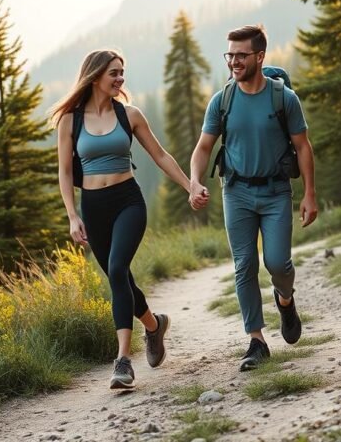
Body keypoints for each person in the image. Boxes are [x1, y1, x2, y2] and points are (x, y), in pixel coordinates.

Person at [52, 49, 205, 389]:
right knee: (119, 277)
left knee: (118, 269)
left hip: (128, 202)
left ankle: (122, 360)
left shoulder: (130, 115)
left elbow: (160, 155)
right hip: (93, 207)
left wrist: (190, 186)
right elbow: (64, 172)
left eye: (122, 72)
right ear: (95, 76)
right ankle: (154, 326)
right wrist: (73, 215)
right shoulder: (70, 121)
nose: (120, 78)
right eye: (114, 73)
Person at [189, 24, 318, 371]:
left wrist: (309, 194)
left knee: (277, 263)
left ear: (260, 56)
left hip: (276, 192)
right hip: (236, 192)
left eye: (241, 55)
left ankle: (285, 300)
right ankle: (257, 341)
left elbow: (303, 147)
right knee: (244, 265)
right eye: (229, 55)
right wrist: (194, 181)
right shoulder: (222, 101)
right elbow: (203, 147)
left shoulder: (283, 99)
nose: (234, 61)